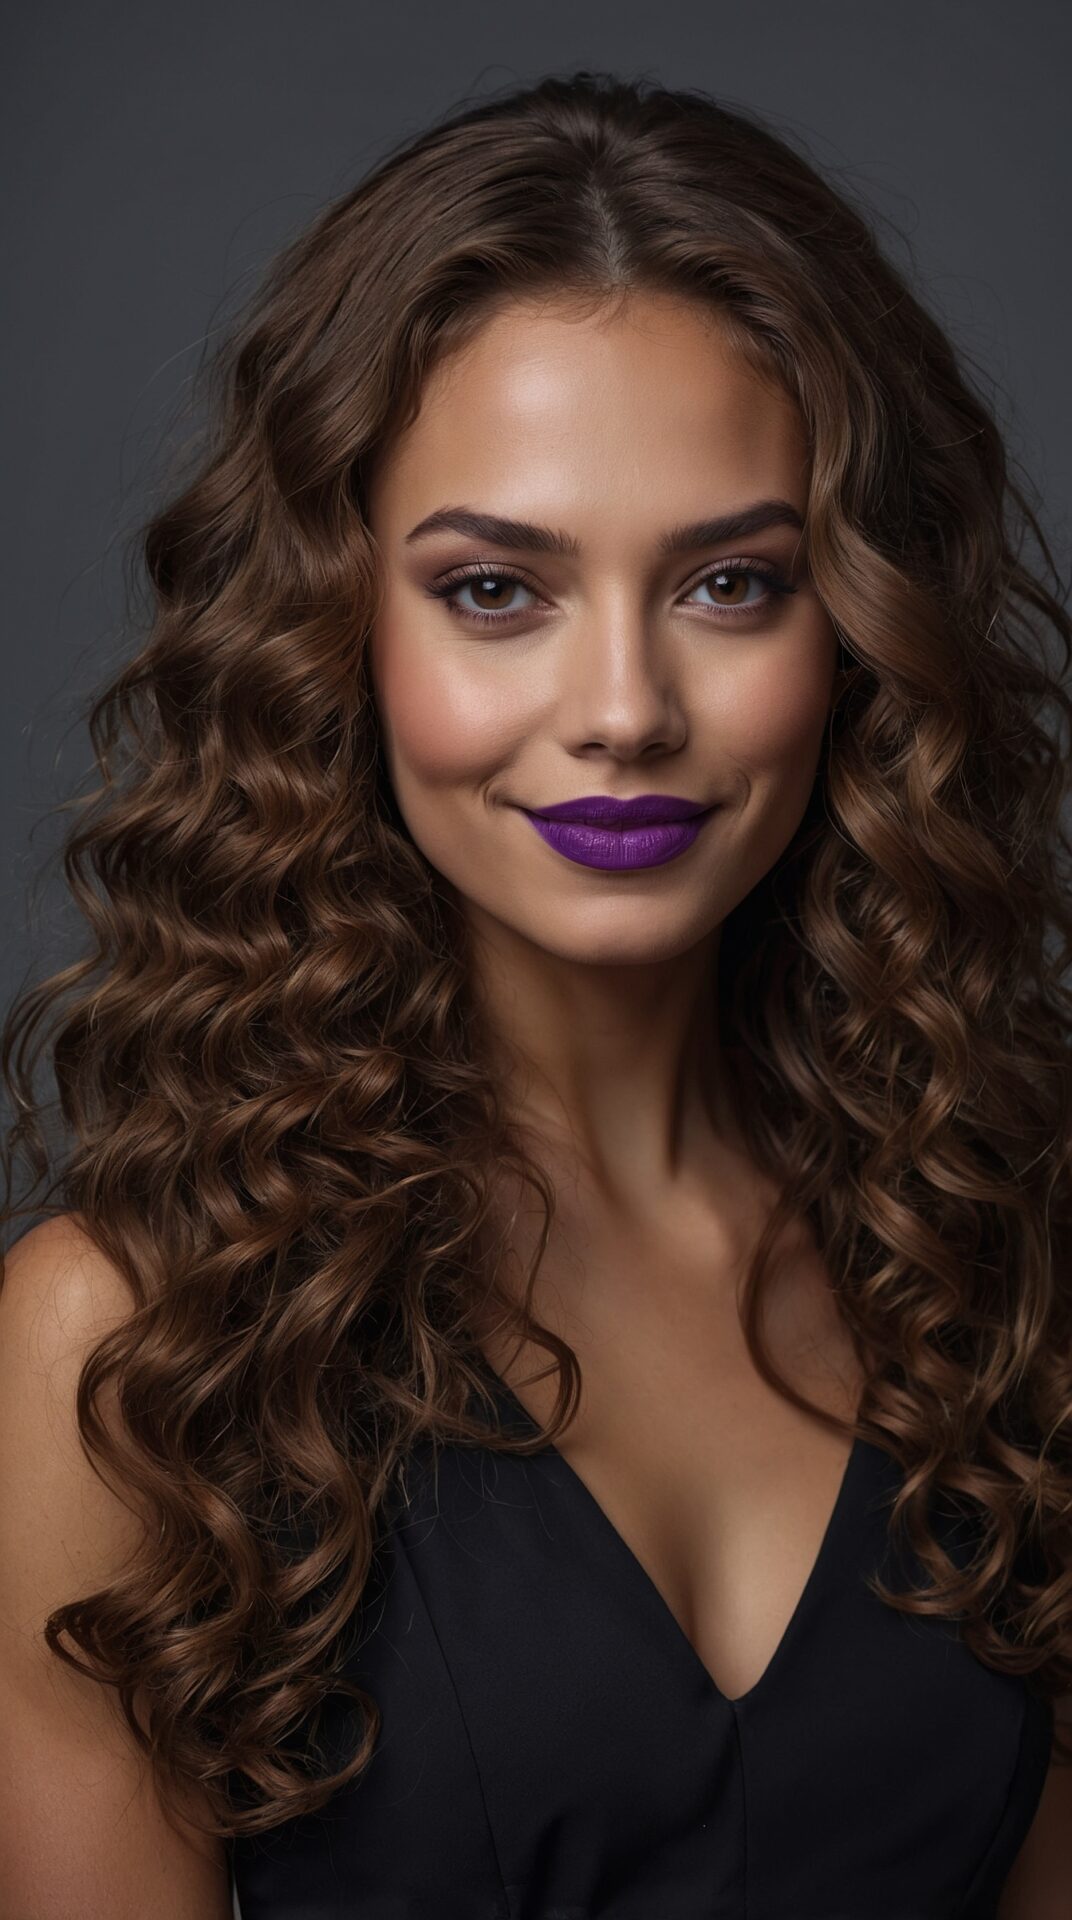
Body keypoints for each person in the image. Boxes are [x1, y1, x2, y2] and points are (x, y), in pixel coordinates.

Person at [1, 67, 1069, 1920]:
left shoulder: (1005, 1253)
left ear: (858, 632)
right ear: (341, 631)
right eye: (498, 591)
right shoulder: (124, 1352)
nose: (625, 709)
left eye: (733, 581)